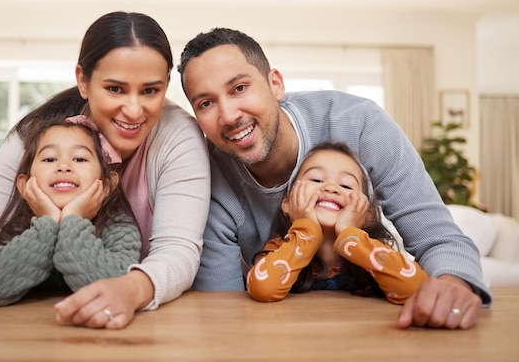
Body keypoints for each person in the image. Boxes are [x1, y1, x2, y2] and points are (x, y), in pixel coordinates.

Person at [177, 27, 491, 330]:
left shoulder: (360, 123)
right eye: (205, 103)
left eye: (239, 88)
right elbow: (221, 305)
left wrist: (453, 283)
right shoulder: (205, 173)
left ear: (275, 84)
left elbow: (438, 236)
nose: (229, 116)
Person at [0, 11, 210, 329]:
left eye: (150, 90)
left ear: (166, 84)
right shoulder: (33, 137)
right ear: (83, 81)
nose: (134, 109)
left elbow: (179, 250)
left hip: (144, 323)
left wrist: (131, 289)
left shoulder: (178, 136)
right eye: (115, 89)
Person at [0, 118, 141, 308]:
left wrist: (73, 219)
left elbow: (114, 288)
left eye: (79, 159)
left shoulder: (118, 227)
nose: (64, 166)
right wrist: (48, 223)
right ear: (25, 185)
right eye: (50, 159)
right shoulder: (19, 229)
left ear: (107, 184)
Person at [246, 142, 428, 304]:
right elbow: (263, 289)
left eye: (346, 185)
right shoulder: (280, 248)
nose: (331, 188)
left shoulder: (373, 249)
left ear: (367, 213)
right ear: (287, 204)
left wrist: (350, 235)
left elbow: (415, 289)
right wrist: (306, 232)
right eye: (316, 179)